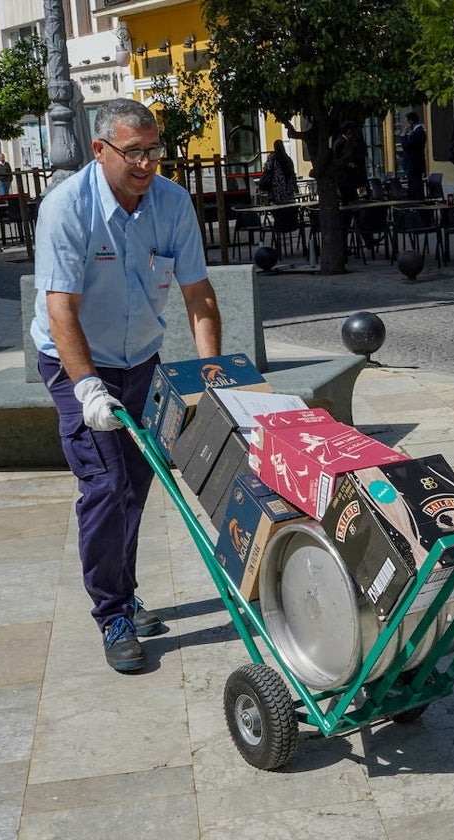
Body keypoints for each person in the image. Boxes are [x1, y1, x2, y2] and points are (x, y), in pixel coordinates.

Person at [30, 98, 223, 672]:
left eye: (153, 151)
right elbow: (61, 308)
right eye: (132, 152)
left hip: (141, 357)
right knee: (106, 483)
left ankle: (125, 590)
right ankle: (112, 611)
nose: (146, 164)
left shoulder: (172, 202)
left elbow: (198, 294)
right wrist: (86, 387)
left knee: (138, 483)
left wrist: (212, 374)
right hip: (74, 359)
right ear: (99, 150)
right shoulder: (67, 208)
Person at [333, 121, 367, 204]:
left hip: (349, 179)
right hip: (345, 179)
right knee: (350, 201)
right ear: (349, 131)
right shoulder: (341, 142)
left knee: (353, 200)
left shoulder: (344, 141)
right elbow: (338, 159)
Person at [258, 139, 298, 205]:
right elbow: (292, 173)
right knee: (288, 207)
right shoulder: (288, 159)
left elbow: (267, 168)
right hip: (288, 188)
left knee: (278, 207)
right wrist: (295, 186)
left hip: (276, 187)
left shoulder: (272, 157)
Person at [399, 111, 427, 200]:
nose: (406, 124)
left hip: (414, 165)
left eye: (407, 121)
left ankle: (419, 209)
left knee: (415, 189)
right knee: (414, 188)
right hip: (414, 164)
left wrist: (403, 134)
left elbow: (406, 146)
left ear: (411, 122)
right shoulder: (417, 132)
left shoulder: (418, 132)